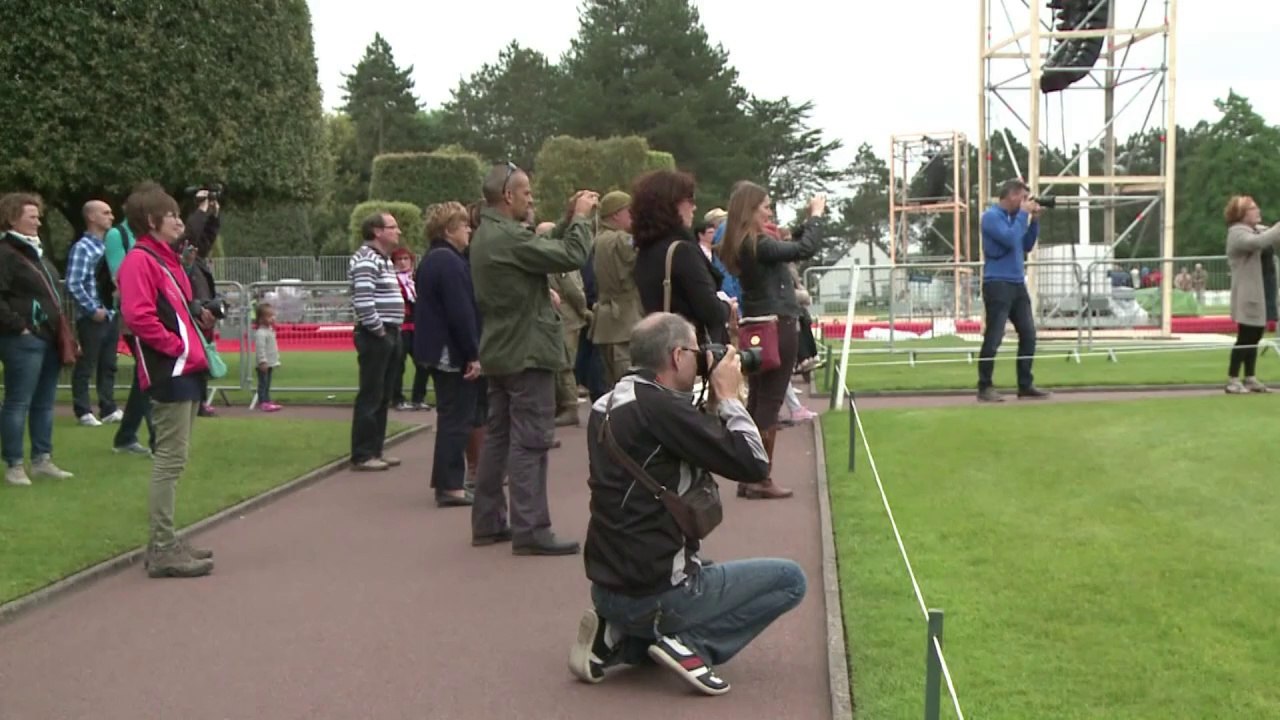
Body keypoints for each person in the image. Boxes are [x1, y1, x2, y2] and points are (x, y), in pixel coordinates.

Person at [569, 312, 806, 696]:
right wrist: (728, 397)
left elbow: (680, 440)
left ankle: (616, 637)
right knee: (790, 580)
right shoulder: (663, 410)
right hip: (657, 591)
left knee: (702, 564)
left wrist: (707, 399)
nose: (702, 358)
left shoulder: (608, 402)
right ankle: (693, 645)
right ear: (678, 356)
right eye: (697, 350)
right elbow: (754, 464)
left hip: (606, 586)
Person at [468, 162, 597, 556]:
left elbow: (542, 247)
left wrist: (565, 219)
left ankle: (489, 522)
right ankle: (531, 528)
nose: (531, 198)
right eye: (526, 193)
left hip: (502, 350)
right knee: (531, 442)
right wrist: (580, 220)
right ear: (508, 196)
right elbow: (571, 254)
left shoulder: (490, 234)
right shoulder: (507, 238)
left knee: (500, 439)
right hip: (527, 351)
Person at [116, 187, 214, 578]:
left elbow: (173, 308)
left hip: (185, 365)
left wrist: (198, 318)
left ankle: (167, 539)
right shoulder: (141, 260)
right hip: (169, 368)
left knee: (177, 458)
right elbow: (139, 317)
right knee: (170, 459)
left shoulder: (165, 259)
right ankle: (161, 547)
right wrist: (175, 346)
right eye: (171, 215)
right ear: (151, 221)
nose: (179, 221)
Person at [717, 184, 825, 500]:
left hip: (756, 322)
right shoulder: (757, 244)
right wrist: (817, 217)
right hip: (777, 323)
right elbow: (803, 249)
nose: (769, 211)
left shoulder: (743, 244)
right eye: (765, 206)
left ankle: (748, 473)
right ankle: (759, 477)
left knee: (758, 399)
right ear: (750, 210)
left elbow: (791, 246)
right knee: (769, 401)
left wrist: (806, 223)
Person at [0, 193, 76, 486]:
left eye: (37, 216)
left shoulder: (37, 253)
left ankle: (42, 459)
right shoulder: (7, 253)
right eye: (31, 216)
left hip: (48, 337)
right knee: (18, 401)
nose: (38, 221)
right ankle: (15, 464)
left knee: (45, 402)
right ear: (12, 217)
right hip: (23, 340)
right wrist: (19, 326)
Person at [415, 201, 480, 508]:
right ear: (448, 229)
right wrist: (473, 352)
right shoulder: (449, 262)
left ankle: (446, 480)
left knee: (450, 416)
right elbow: (460, 313)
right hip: (449, 351)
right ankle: (450, 485)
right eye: (464, 224)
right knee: (457, 418)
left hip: (436, 349)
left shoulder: (433, 259)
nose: (469, 229)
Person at [633, 170, 730, 346]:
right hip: (691, 348)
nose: (694, 207)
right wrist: (727, 306)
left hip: (661, 347)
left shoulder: (645, 251)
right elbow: (711, 311)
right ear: (672, 204)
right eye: (690, 200)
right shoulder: (682, 250)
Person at [976, 179, 1050, 403]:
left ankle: (1025, 384)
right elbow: (1008, 239)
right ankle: (985, 386)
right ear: (1011, 195)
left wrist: (1034, 221)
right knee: (994, 335)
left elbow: (1025, 244)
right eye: (1024, 197)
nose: (1026, 202)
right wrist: (1022, 217)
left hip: (1017, 283)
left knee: (1028, 334)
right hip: (997, 282)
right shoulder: (991, 217)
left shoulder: (1015, 220)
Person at [104, 184, 163, 456]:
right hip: (135, 312)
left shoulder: (154, 235)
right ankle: (157, 440)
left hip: (156, 309)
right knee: (151, 373)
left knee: (145, 376)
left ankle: (126, 435)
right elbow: (120, 274)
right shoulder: (118, 234)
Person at [348, 212, 406, 471]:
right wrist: (379, 331)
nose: (399, 232)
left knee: (383, 394)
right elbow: (363, 300)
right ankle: (362, 454)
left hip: (390, 331)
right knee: (371, 394)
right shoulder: (365, 260)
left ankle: (376, 449)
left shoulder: (384, 261)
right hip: (377, 335)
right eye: (393, 227)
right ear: (377, 231)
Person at [67, 199, 123, 427]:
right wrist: (92, 309)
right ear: (91, 217)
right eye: (106, 213)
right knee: (87, 363)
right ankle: (82, 409)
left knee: (109, 363)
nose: (111, 217)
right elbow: (73, 282)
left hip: (111, 313)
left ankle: (107, 407)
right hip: (93, 316)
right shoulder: (83, 248)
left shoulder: (108, 248)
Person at [1223, 195, 1280, 393]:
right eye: (1252, 209)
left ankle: (1250, 377)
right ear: (1241, 214)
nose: (1258, 211)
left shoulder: (1259, 230)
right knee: (1246, 336)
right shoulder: (1237, 233)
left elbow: (1270, 240)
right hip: (1248, 292)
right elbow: (1257, 242)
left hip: (1263, 289)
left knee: (1256, 335)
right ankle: (1233, 379)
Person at [590, 191, 642, 386]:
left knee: (613, 384)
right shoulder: (621, 240)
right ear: (615, 215)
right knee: (629, 383)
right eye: (629, 211)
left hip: (606, 321)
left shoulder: (599, 239)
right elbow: (638, 258)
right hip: (624, 320)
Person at [183, 190, 221, 417]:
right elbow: (191, 235)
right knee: (194, 357)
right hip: (192, 309)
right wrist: (202, 208)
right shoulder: (178, 251)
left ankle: (200, 401)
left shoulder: (196, 257)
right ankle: (196, 401)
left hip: (203, 308)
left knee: (202, 356)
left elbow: (205, 238)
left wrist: (214, 214)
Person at [390, 247, 429, 411]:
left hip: (417, 327)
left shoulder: (416, 279)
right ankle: (397, 399)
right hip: (401, 327)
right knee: (398, 365)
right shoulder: (392, 280)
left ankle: (418, 398)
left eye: (406, 259)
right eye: (399, 259)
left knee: (424, 364)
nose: (403, 262)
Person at [253, 303, 282, 412]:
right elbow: (260, 349)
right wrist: (262, 361)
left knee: (267, 383)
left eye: (273, 316)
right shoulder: (261, 333)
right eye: (269, 316)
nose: (272, 318)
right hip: (264, 364)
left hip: (270, 363)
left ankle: (267, 400)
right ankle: (263, 402)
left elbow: (272, 348)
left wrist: (276, 360)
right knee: (263, 383)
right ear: (261, 319)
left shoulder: (269, 331)